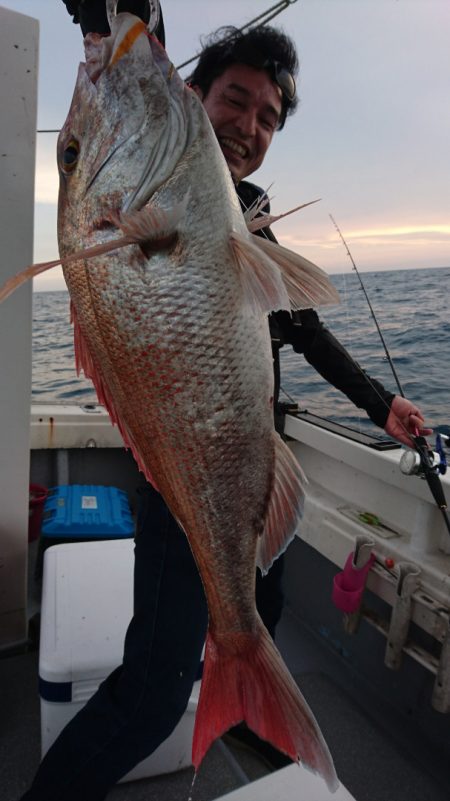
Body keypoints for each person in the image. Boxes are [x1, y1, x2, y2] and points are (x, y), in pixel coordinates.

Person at [20, 4, 430, 800]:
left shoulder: (245, 210)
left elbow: (303, 326)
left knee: (261, 604)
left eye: (268, 116)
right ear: (194, 97)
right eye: (233, 101)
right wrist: (132, 26)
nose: (249, 125)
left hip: (249, 468)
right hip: (189, 482)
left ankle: (245, 703)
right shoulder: (170, 195)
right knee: (150, 695)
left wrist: (380, 404)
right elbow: (138, 59)